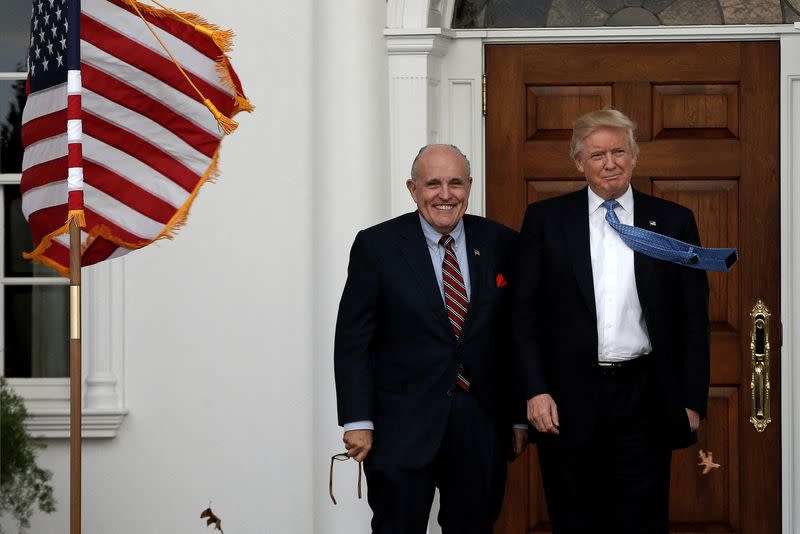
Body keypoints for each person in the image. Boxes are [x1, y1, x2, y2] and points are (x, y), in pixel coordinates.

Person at [511, 109, 711, 534]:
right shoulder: (546, 221)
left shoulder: (673, 222)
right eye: (597, 154)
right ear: (579, 163)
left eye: (619, 151)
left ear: (634, 157)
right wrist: (535, 390)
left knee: (641, 520)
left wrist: (691, 398)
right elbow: (523, 314)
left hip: (645, 396)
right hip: (567, 400)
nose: (610, 163)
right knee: (574, 518)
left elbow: (693, 317)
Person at [334, 144, 527, 534]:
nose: (445, 194)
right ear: (412, 188)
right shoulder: (377, 247)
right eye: (433, 183)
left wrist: (520, 417)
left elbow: (516, 335)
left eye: (455, 182)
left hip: (480, 424)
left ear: (469, 186)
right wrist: (357, 419)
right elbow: (354, 339)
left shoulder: (501, 243)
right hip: (400, 427)